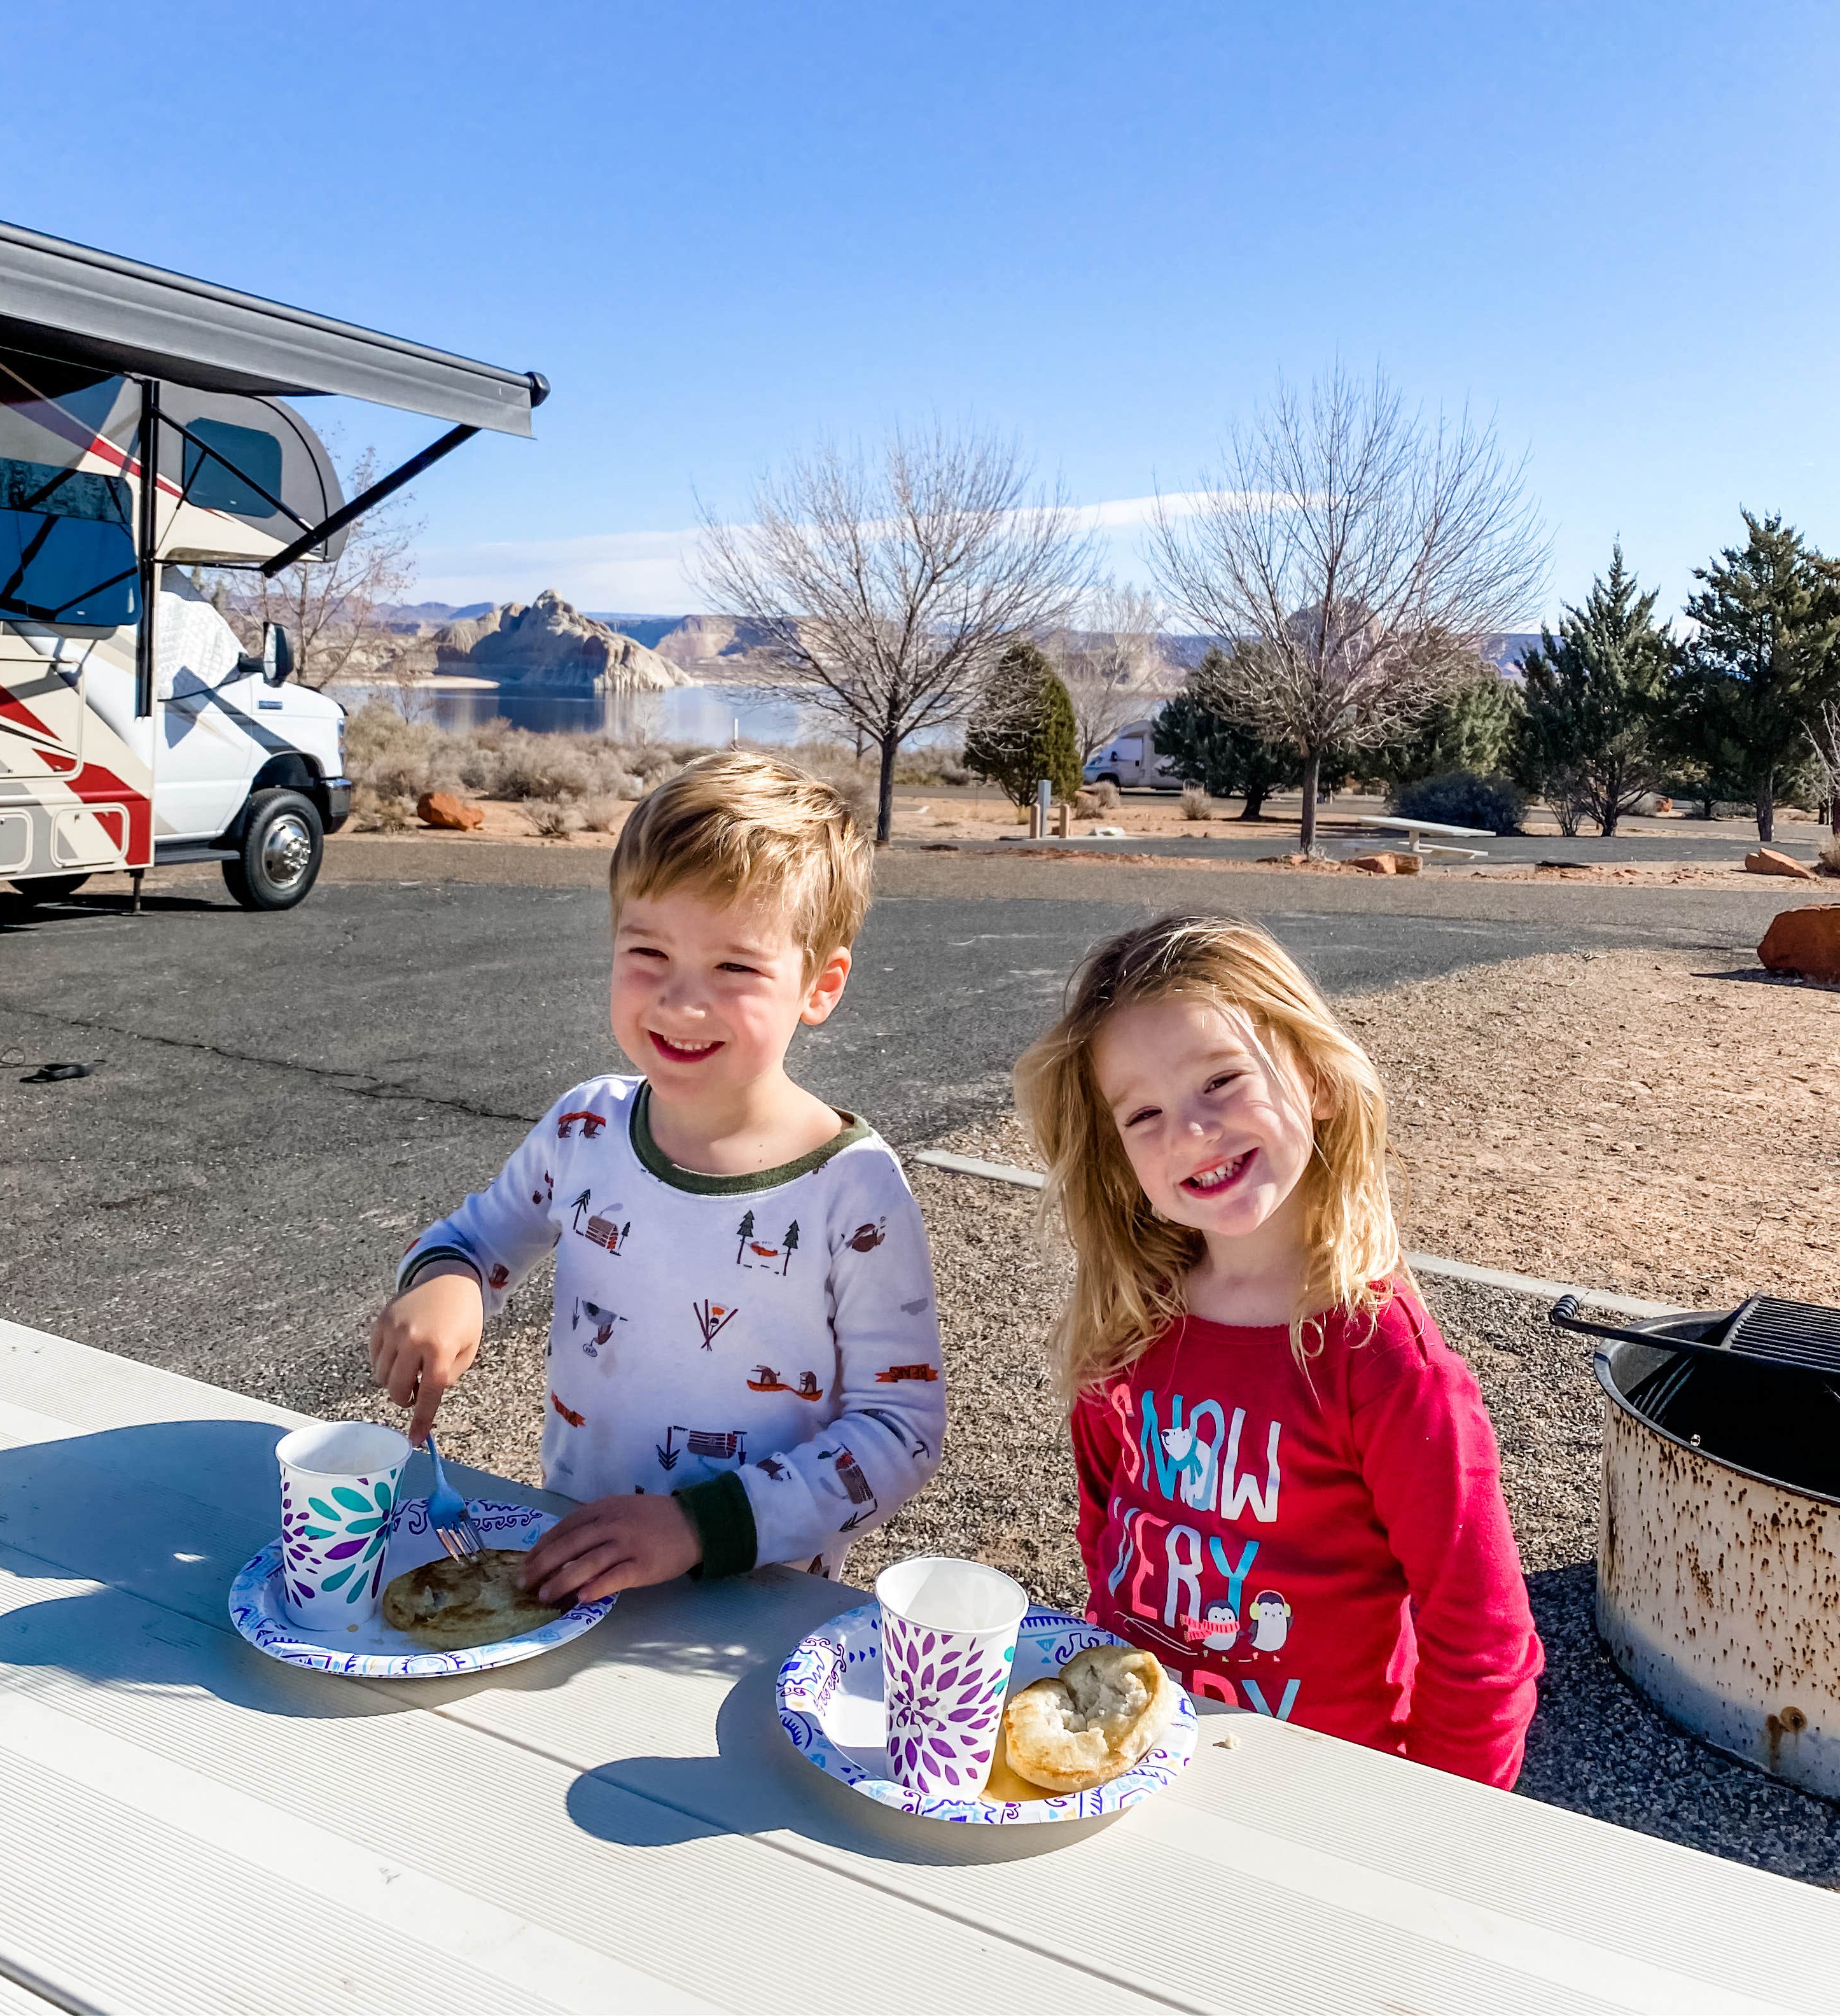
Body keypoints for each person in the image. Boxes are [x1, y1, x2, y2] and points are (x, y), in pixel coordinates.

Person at [369, 750, 945, 1604]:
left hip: (757, 1607)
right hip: (578, 1568)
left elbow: (899, 1430)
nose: (681, 1002)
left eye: (735, 967)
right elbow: (476, 1238)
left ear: (819, 986)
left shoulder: (854, 1191)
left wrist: (695, 1527)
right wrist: (448, 1284)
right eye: (649, 951)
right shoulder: (585, 1127)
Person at [1013, 913, 1542, 1788]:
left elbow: (1481, 1638)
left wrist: (1437, 1832)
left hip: (1323, 1793)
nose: (1190, 1130)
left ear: (1319, 1079)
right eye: (1144, 1114)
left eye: (1222, 1079)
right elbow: (1107, 1531)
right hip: (1141, 1763)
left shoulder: (1381, 1361)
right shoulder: (1128, 1322)